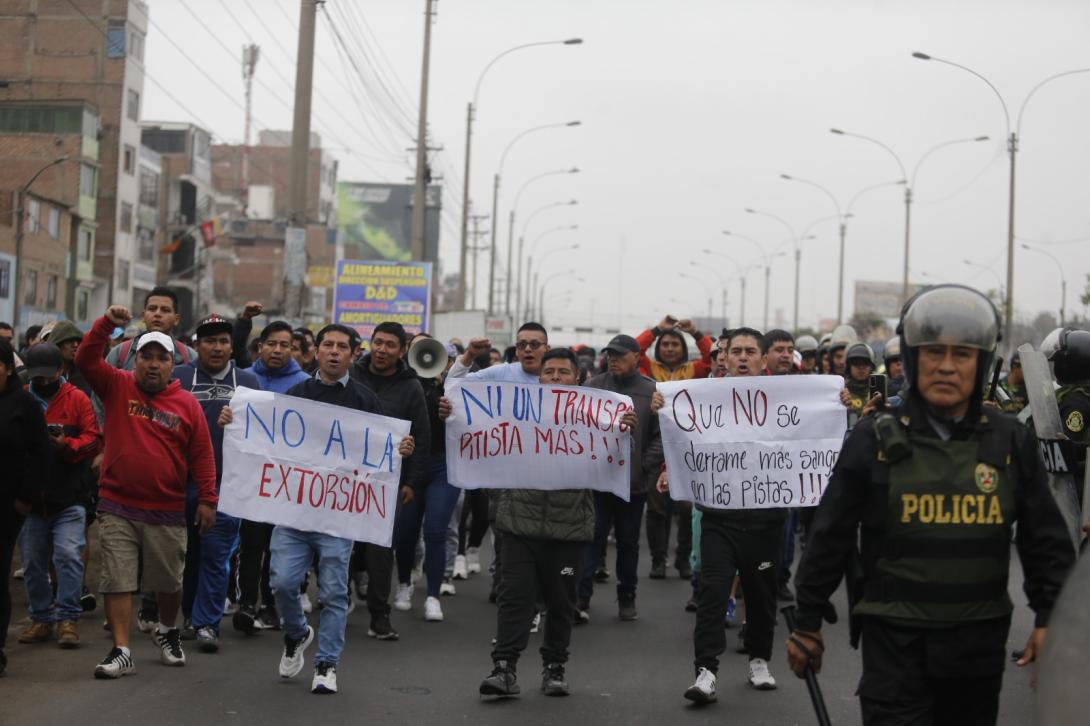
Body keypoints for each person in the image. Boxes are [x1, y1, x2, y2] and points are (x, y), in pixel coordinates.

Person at [787, 284, 1076, 726]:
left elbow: (1046, 543)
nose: (946, 366)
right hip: (895, 649)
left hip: (977, 652)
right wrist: (807, 621)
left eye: (961, 354)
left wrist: (1050, 620)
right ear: (913, 357)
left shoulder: (1009, 440)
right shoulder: (872, 440)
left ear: (981, 363)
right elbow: (831, 534)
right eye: (932, 352)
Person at [217, 324, 415, 695]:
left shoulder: (365, 399)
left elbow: (381, 453)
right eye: (328, 345)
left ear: (353, 355)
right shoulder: (298, 393)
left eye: (343, 346)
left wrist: (400, 449)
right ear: (317, 351)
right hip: (292, 514)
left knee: (334, 592)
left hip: (338, 518)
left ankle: (327, 663)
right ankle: (297, 634)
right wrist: (234, 422)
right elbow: (266, 440)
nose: (335, 352)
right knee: (283, 583)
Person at [462, 347, 637, 697]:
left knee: (561, 603)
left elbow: (615, 463)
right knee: (514, 599)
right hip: (517, 524)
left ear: (578, 378)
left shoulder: (595, 417)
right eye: (549, 372)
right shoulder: (512, 412)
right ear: (538, 378)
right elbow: (477, 432)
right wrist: (452, 412)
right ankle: (504, 669)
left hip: (568, 527)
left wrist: (624, 434)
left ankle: (555, 668)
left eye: (563, 372)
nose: (555, 378)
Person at [76, 305, 218, 678]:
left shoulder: (187, 404)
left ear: (173, 366)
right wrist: (107, 322)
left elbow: (202, 456)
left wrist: (207, 500)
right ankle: (121, 649)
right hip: (117, 505)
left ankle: (168, 631)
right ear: (135, 360)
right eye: (146, 356)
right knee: (117, 578)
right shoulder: (116, 385)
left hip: (167, 510)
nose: (153, 364)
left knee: (168, 582)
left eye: (161, 358)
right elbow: (85, 358)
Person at [681, 326, 783, 704]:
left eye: (749, 351)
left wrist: (838, 402)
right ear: (723, 356)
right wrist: (662, 408)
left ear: (762, 357)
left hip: (766, 520)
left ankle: (759, 659)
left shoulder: (788, 398)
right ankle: (706, 671)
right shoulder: (703, 396)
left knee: (760, 596)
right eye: (735, 350)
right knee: (712, 594)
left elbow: (814, 431)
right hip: (718, 518)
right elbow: (682, 435)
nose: (742, 357)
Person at [172, 314, 260, 653]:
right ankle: (190, 617)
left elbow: (264, 432)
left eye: (223, 341)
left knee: (215, 553)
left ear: (231, 345)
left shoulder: (249, 380)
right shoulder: (178, 377)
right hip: (181, 483)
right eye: (209, 341)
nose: (217, 347)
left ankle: (208, 623)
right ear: (197, 345)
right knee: (187, 553)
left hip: (228, 484)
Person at [448, 324, 551, 600]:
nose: (527, 349)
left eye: (534, 344)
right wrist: (469, 355)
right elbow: (455, 387)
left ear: (547, 349)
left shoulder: (557, 378)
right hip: (503, 474)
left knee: (539, 540)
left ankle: (534, 591)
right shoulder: (501, 373)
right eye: (521, 345)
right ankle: (503, 581)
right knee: (503, 532)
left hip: (546, 475)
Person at [16, 343, 101, 650]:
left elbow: (94, 440)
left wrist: (67, 445)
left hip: (69, 497)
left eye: (47, 375)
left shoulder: (77, 398)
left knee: (67, 556)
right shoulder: (23, 399)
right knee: (33, 561)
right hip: (32, 499)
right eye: (36, 376)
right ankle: (41, 618)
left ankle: (68, 618)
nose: (41, 381)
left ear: (62, 371)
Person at [349, 322, 429, 640]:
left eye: (390, 345)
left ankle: (379, 616)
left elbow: (420, 436)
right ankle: (337, 599)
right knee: (341, 542)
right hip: (345, 477)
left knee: (381, 549)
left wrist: (412, 482)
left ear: (402, 350)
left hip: (386, 481)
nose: (382, 350)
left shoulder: (411, 388)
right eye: (378, 343)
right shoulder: (351, 376)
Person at [233, 320, 313, 632]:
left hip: (286, 481)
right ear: (260, 347)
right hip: (251, 478)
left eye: (285, 345)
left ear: (293, 349)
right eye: (271, 344)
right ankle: (246, 604)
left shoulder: (305, 383)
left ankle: (271, 605)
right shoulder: (245, 380)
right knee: (250, 543)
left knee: (278, 545)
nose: (277, 350)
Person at [576, 335, 663, 622]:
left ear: (636, 357)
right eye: (610, 355)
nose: (613, 359)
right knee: (591, 539)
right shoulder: (593, 387)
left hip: (633, 485)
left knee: (628, 543)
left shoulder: (652, 391)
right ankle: (581, 598)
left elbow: (660, 437)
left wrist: (644, 466)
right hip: (598, 481)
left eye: (620, 355)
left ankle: (627, 597)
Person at [391, 334, 461, 622]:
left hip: (442, 466)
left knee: (435, 531)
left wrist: (452, 411)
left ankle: (433, 595)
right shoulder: (402, 385)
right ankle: (405, 584)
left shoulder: (450, 387)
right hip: (410, 467)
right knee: (405, 533)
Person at [0, 339, 51, 676]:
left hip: (6, 508)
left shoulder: (25, 406)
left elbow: (41, 456)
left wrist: (25, 499)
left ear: (6, 369)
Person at [105, 287, 196, 370]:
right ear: (143, 317)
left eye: (165, 310)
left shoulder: (190, 357)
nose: (157, 314)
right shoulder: (120, 353)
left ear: (176, 319)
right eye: (152, 309)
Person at [636, 315, 715, 381]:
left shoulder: (695, 369)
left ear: (683, 348)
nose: (670, 349)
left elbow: (713, 356)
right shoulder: (649, 368)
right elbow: (633, 351)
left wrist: (694, 332)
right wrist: (658, 329)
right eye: (665, 344)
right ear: (658, 348)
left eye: (675, 344)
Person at [843, 342, 876, 428]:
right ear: (848, 367)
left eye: (865, 363)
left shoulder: (878, 391)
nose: (861, 367)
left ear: (871, 366)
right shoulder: (843, 393)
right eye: (856, 363)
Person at [999, 351, 1027, 415]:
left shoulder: (1028, 390)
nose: (1028, 372)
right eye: (1025, 367)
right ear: (1015, 367)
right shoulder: (999, 386)